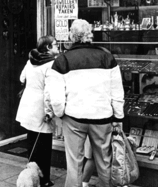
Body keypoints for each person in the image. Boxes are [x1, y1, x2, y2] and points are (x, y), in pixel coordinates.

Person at [46, 19, 124, 187]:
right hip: (102, 118)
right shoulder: (107, 57)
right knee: (104, 163)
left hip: (74, 118)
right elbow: (117, 92)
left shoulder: (62, 60)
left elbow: (56, 98)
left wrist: (60, 114)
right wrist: (118, 118)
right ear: (90, 34)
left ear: (71, 36)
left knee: (74, 165)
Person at [16, 35, 60, 187]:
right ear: (48, 47)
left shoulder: (30, 61)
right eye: (55, 45)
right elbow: (48, 91)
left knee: (32, 141)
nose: (57, 48)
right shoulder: (51, 64)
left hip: (28, 103)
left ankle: (31, 175)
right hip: (40, 105)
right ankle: (44, 179)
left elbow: (22, 78)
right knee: (44, 145)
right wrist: (49, 112)